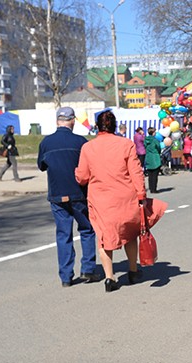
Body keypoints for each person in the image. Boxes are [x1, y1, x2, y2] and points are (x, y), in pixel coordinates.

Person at [74, 110, 146, 293]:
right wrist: (141, 195)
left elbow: (82, 177)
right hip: (125, 195)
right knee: (129, 232)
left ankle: (109, 277)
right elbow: (135, 172)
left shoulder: (88, 148)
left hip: (100, 199)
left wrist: (77, 172)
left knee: (104, 237)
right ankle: (133, 270)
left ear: (98, 126)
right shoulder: (126, 144)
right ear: (115, 126)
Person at [37, 107, 102, 287]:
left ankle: (66, 276)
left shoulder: (46, 142)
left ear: (57, 121)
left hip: (57, 194)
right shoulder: (81, 142)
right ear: (72, 121)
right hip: (79, 193)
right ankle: (88, 268)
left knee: (63, 234)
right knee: (87, 230)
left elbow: (41, 166)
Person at [144, 126, 162, 194]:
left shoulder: (146, 140)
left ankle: (151, 188)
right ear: (153, 133)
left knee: (150, 175)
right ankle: (154, 189)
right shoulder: (155, 140)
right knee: (155, 175)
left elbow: (145, 146)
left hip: (148, 157)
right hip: (155, 158)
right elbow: (158, 148)